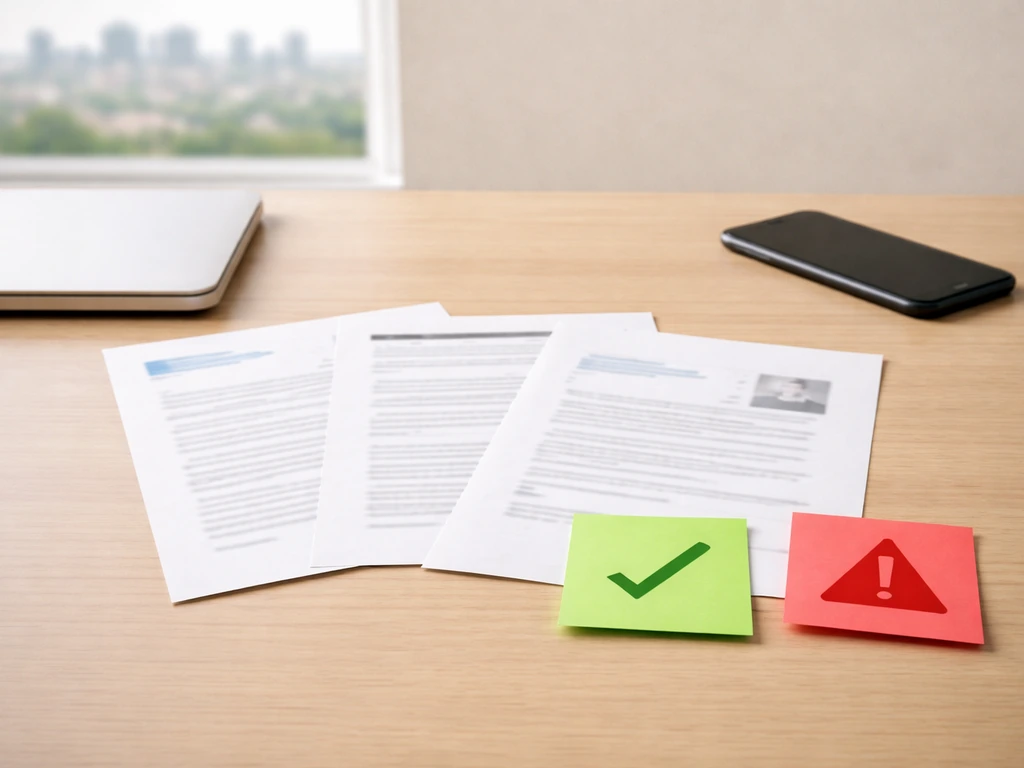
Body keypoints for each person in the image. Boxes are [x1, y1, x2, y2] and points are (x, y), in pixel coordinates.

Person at [750, 378, 826, 414]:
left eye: (795, 387)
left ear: (801, 390)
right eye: (787, 386)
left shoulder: (810, 405)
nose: (789, 389)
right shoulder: (761, 400)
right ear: (782, 387)